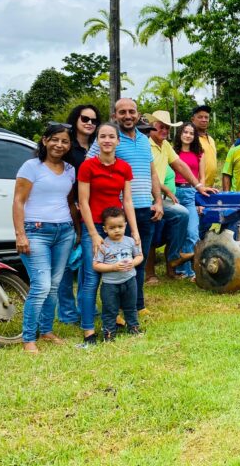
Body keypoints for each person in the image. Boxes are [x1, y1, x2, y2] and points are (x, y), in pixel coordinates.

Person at [88, 98, 163, 314]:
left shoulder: (143, 139)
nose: (127, 116)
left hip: (145, 209)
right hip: (119, 214)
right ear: (115, 116)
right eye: (122, 112)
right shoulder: (108, 138)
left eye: (131, 111)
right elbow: (90, 165)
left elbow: (152, 172)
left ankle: (137, 305)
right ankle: (117, 308)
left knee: (139, 258)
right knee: (118, 260)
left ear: (138, 114)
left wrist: (157, 201)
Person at [12, 123, 79, 354]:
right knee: (41, 286)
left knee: (54, 286)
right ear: (45, 140)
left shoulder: (70, 169)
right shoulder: (31, 167)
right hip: (35, 231)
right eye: (55, 139)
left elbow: (70, 203)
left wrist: (77, 230)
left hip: (64, 232)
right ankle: (29, 338)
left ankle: (47, 330)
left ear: (69, 145)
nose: (59, 145)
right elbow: (18, 201)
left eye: (65, 141)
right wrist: (20, 234)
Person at [78, 122, 140, 347]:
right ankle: (88, 331)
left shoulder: (124, 167)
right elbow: (82, 202)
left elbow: (128, 201)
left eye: (111, 136)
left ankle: (115, 319)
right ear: (98, 141)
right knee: (92, 280)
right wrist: (94, 234)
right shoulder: (88, 166)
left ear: (117, 140)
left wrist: (133, 230)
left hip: (117, 227)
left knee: (122, 273)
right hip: (94, 227)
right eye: (102, 136)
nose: (106, 140)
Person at [144, 110, 214, 281]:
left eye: (167, 128)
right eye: (161, 127)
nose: (164, 131)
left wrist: (198, 185)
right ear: (152, 127)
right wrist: (166, 190)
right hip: (145, 196)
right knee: (151, 232)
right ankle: (150, 274)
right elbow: (146, 175)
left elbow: (180, 165)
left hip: (163, 196)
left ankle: (174, 259)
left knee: (181, 216)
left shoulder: (165, 145)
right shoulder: (145, 144)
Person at [57, 104, 101, 326]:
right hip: (65, 209)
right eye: (85, 118)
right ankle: (66, 312)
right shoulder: (66, 146)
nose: (89, 123)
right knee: (65, 265)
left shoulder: (98, 146)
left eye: (94, 120)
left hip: (91, 210)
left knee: (87, 262)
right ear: (75, 119)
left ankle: (88, 308)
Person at [92, 207, 143, 341]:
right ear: (105, 229)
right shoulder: (103, 245)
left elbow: (139, 256)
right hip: (110, 285)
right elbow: (96, 265)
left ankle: (134, 328)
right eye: (112, 227)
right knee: (110, 310)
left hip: (130, 281)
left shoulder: (130, 241)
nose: (117, 230)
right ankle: (109, 334)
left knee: (131, 307)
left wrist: (133, 262)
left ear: (125, 225)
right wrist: (113, 267)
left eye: (120, 226)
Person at [172, 122, 204, 280]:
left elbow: (201, 178)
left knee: (192, 232)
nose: (188, 135)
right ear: (179, 134)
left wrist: (200, 201)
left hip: (191, 192)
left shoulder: (198, 153)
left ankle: (194, 269)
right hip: (174, 193)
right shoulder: (172, 152)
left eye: (191, 133)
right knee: (180, 234)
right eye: (185, 132)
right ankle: (181, 270)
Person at [190, 105, 217, 188]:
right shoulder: (191, 139)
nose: (204, 120)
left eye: (206, 117)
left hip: (210, 187)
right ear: (193, 119)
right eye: (200, 117)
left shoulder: (211, 140)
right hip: (195, 188)